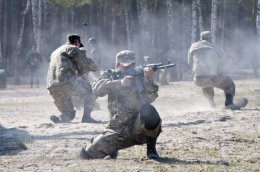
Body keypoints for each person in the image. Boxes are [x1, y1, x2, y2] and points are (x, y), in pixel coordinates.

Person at [80, 50, 162, 159]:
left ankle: (151, 151)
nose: (130, 69)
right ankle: (111, 149)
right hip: (117, 130)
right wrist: (120, 83)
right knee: (88, 154)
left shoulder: (140, 77)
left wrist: (148, 78)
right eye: (126, 66)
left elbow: (150, 98)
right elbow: (97, 90)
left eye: (132, 65)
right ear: (117, 65)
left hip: (138, 128)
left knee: (149, 110)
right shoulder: (110, 75)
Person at [47, 34, 99, 123]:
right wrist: (94, 67)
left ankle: (61, 118)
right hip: (66, 82)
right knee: (92, 91)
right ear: (77, 42)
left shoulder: (56, 51)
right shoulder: (73, 48)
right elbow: (85, 63)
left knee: (69, 114)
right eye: (79, 44)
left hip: (53, 86)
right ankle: (87, 117)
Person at [188, 31, 237, 109]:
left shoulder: (193, 47)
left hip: (198, 79)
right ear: (210, 38)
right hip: (212, 77)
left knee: (206, 84)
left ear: (201, 38)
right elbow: (223, 61)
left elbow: (190, 62)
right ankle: (229, 102)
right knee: (229, 84)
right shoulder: (214, 47)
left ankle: (211, 105)